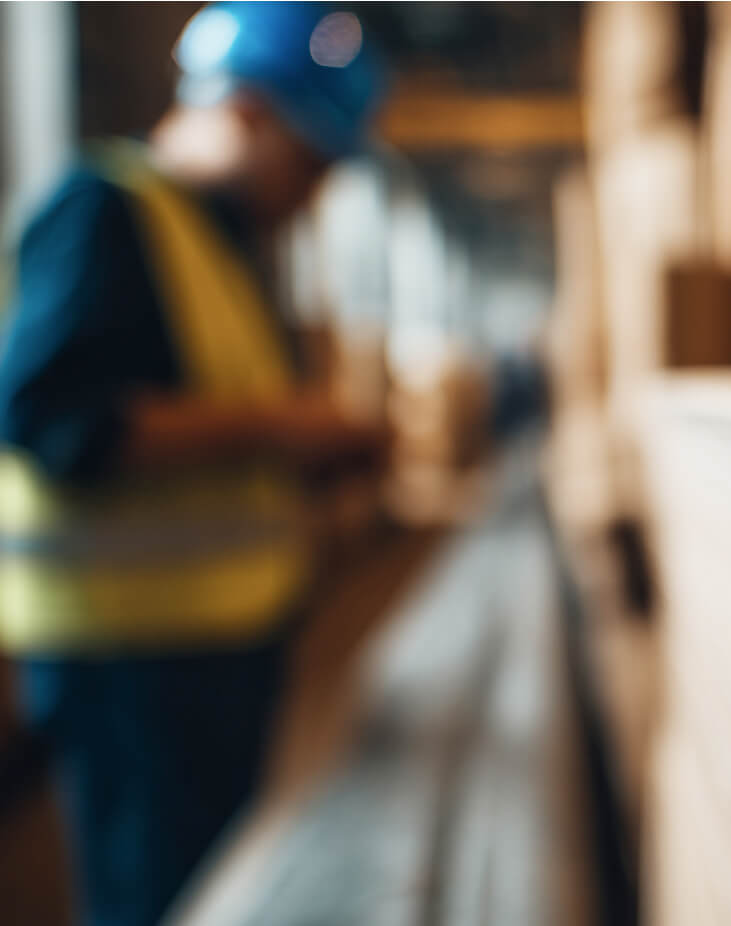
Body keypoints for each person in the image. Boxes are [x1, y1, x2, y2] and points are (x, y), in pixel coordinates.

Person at [0, 5, 388, 924]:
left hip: (208, 647)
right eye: (314, 159)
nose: (315, 191)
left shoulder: (219, 240)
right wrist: (277, 426)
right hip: (129, 660)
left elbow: (210, 430)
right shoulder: (102, 211)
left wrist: (314, 454)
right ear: (249, 113)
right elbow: (46, 417)